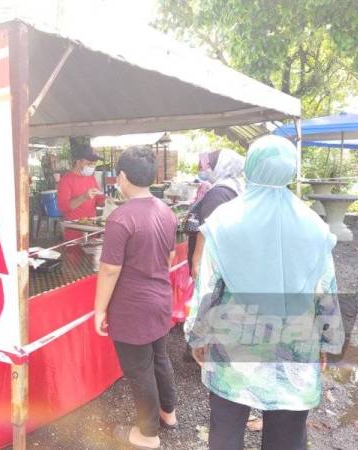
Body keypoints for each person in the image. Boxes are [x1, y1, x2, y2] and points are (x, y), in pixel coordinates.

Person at [186, 135, 344, 450]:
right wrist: (326, 342)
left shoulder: (224, 221)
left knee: (226, 431)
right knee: (287, 437)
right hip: (295, 346)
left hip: (234, 345)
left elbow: (207, 289)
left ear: (252, 166)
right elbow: (325, 289)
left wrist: (197, 335)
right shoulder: (314, 225)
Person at [94, 146, 178, 450]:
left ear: (122, 176)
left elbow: (109, 270)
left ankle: (148, 433)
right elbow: (168, 257)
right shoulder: (165, 211)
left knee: (139, 370)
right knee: (160, 358)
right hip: (160, 299)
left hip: (133, 308)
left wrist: (99, 310)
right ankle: (168, 413)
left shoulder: (120, 218)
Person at [188, 148, 244, 280]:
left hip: (211, 263)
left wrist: (197, 262)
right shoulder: (234, 187)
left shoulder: (218, 194)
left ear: (221, 166)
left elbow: (207, 229)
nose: (203, 171)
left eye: (209, 166)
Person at [57, 138, 103, 241]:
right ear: (78, 162)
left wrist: (107, 201)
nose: (92, 166)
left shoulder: (91, 177)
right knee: (75, 256)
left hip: (92, 229)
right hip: (74, 232)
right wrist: (83, 197)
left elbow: (98, 200)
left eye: (93, 163)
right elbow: (63, 207)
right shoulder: (66, 180)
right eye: (89, 163)